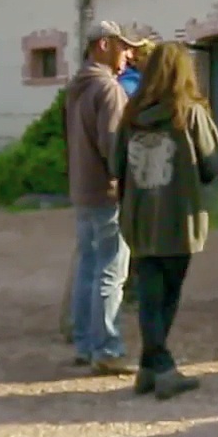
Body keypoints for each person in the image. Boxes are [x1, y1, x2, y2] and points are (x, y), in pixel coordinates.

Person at [110, 42, 218, 400]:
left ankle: (147, 368)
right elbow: (211, 166)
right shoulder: (190, 113)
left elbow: (116, 166)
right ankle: (164, 367)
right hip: (177, 214)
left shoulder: (131, 114)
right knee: (167, 294)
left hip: (139, 215)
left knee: (149, 294)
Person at [67, 19, 142, 375]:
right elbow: (114, 145)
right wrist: (129, 184)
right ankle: (107, 347)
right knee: (111, 271)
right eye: (123, 46)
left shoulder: (78, 86)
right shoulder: (109, 89)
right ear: (103, 45)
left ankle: (84, 342)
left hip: (82, 188)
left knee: (87, 267)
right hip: (106, 192)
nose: (129, 54)